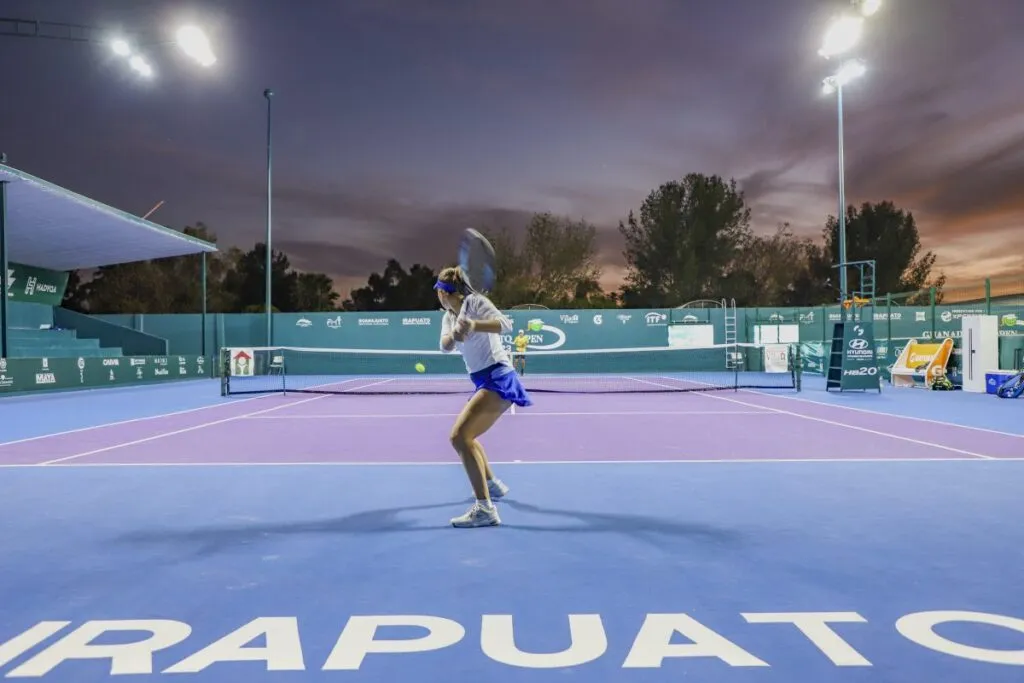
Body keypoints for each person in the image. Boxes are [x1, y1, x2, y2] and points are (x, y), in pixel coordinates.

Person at [435, 266, 532, 528]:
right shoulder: (448, 316)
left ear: (446, 293)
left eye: (438, 291)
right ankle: (492, 485)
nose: (437, 296)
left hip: (497, 376)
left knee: (459, 437)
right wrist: (455, 335)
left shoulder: (476, 302)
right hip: (481, 380)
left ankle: (485, 509)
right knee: (468, 438)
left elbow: (506, 324)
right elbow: (444, 347)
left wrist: (474, 324)